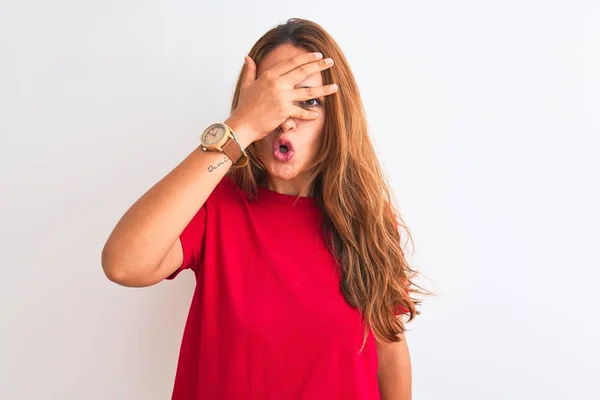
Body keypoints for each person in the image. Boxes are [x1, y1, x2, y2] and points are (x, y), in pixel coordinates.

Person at [101, 17, 421, 400]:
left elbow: (388, 352)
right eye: (271, 101)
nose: (284, 121)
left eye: (308, 101)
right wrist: (240, 126)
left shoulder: (367, 216)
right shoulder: (212, 205)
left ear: (336, 115)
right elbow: (123, 263)